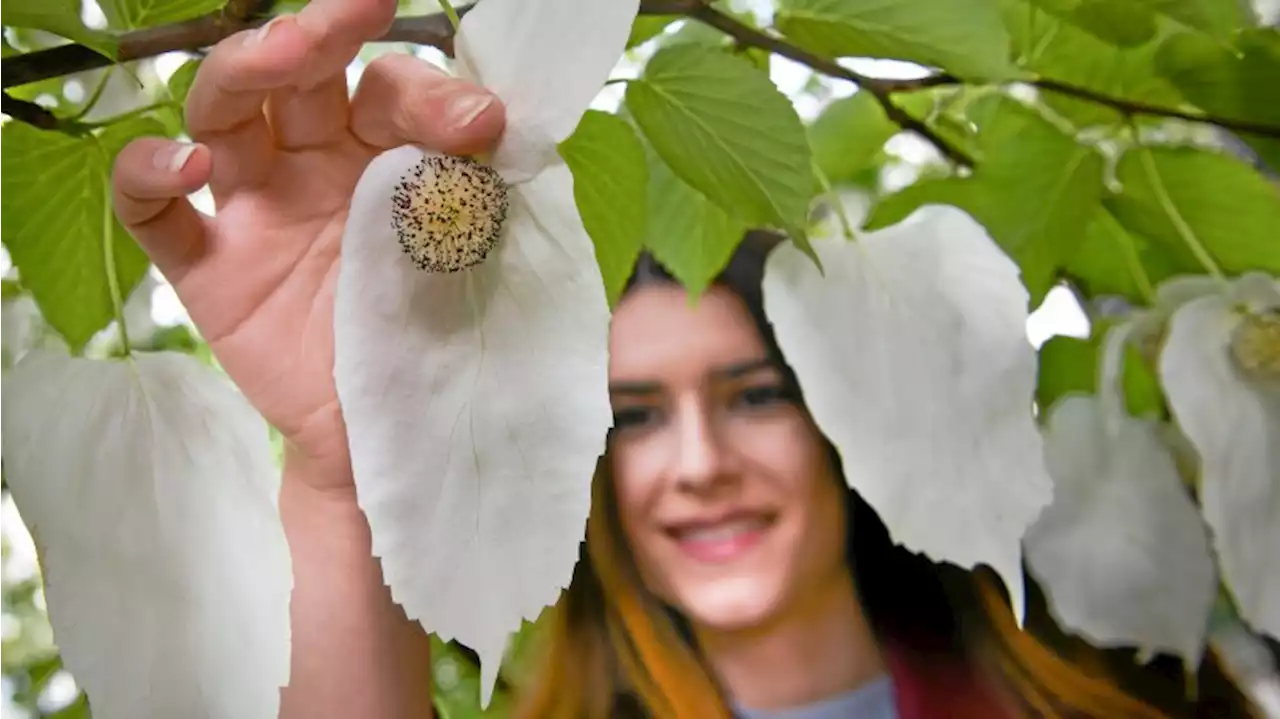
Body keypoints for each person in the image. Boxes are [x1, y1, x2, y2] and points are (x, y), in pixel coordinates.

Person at [108, 1, 1257, 717]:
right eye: (637, 414)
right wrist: (355, 447)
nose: (696, 461)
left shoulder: (1130, 699)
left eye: (754, 393)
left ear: (842, 411)